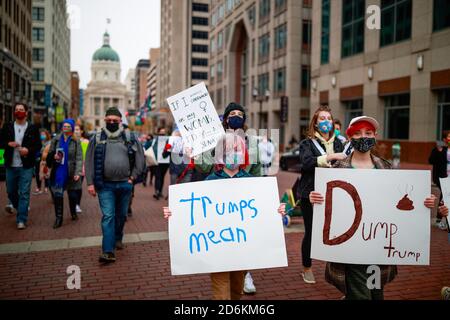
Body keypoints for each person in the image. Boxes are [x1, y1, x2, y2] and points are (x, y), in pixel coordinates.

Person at [309, 115, 437, 300]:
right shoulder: (336, 170)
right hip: (350, 253)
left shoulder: (385, 169)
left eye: (368, 133)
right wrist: (317, 199)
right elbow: (328, 210)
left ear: (375, 136)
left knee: (376, 293)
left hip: (378, 252)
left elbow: (400, 204)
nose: (363, 137)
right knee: (362, 296)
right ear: (350, 137)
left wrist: (424, 203)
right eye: (358, 133)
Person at [163, 133, 286, 300]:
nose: (233, 153)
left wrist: (275, 210)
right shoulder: (209, 182)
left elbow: (263, 212)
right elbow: (194, 212)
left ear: (244, 154)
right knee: (221, 294)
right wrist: (175, 214)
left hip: (242, 253)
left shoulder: (252, 182)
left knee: (237, 290)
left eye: (237, 150)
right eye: (227, 150)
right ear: (219, 154)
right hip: (217, 253)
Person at [195, 102, 262, 293]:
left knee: (243, 236)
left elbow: (257, 171)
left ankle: (244, 273)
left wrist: (259, 194)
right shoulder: (216, 140)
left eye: (240, 114)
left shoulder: (253, 142)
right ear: (225, 118)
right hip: (219, 194)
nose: (236, 116)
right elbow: (204, 166)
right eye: (232, 113)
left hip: (243, 193)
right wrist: (198, 151)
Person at [85, 107, 145, 263]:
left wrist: (133, 178)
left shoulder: (130, 137)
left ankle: (118, 237)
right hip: (105, 186)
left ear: (120, 121)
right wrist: (90, 183)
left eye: (115, 120)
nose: (111, 123)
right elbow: (89, 161)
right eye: (108, 120)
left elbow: (140, 159)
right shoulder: (97, 138)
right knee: (108, 216)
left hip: (125, 184)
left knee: (121, 216)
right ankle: (108, 250)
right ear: (105, 120)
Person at [297, 106, 346, 284]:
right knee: (311, 232)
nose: (326, 121)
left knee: (334, 230)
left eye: (329, 118)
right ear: (316, 123)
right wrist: (331, 157)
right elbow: (307, 163)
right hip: (310, 194)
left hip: (334, 193)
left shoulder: (340, 143)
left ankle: (335, 268)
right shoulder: (307, 144)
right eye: (322, 118)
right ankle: (307, 268)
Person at [0, 103, 41, 229]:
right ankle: (19, 208)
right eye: (17, 110)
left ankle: (21, 219)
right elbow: (0, 142)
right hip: (11, 165)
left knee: (24, 193)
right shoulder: (7, 127)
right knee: (11, 191)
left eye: (21, 110)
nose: (19, 111)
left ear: (26, 112)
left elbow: (38, 145)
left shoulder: (32, 128)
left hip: (26, 166)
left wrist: (28, 150)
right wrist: (8, 144)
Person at [46, 119, 83, 228]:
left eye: (68, 126)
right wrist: (53, 156)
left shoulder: (76, 141)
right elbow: (50, 153)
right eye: (64, 126)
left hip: (71, 171)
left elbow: (79, 158)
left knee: (72, 195)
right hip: (58, 170)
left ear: (72, 128)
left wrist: (78, 172)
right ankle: (59, 218)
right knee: (58, 194)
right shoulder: (56, 139)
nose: (66, 128)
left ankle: (73, 212)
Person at [428, 136, 449, 230]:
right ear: (444, 140)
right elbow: (431, 160)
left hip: (448, 176)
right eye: (447, 138)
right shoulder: (437, 150)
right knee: (444, 195)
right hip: (441, 177)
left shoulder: (446, 150)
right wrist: (438, 152)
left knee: (445, 195)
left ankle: (442, 219)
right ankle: (440, 219)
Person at [74, 124, 90, 214]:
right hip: (72, 166)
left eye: (77, 129)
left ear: (81, 131)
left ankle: (77, 204)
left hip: (82, 166)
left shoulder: (86, 142)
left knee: (78, 185)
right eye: (75, 129)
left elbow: (87, 155)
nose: (76, 131)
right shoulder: (70, 141)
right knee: (72, 187)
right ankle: (73, 203)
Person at [152, 127, 170, 200]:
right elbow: (152, 149)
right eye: (161, 133)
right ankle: (157, 191)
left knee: (162, 177)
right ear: (158, 133)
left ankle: (160, 191)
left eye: (164, 133)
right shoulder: (155, 140)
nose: (162, 134)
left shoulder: (168, 140)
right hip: (157, 161)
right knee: (158, 176)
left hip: (165, 162)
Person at [33, 129, 52, 195]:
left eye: (44, 134)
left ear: (47, 135)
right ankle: (39, 187)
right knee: (37, 172)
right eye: (41, 135)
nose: (42, 136)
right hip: (38, 159)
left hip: (45, 159)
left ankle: (46, 187)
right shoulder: (37, 142)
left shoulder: (49, 142)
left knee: (46, 172)